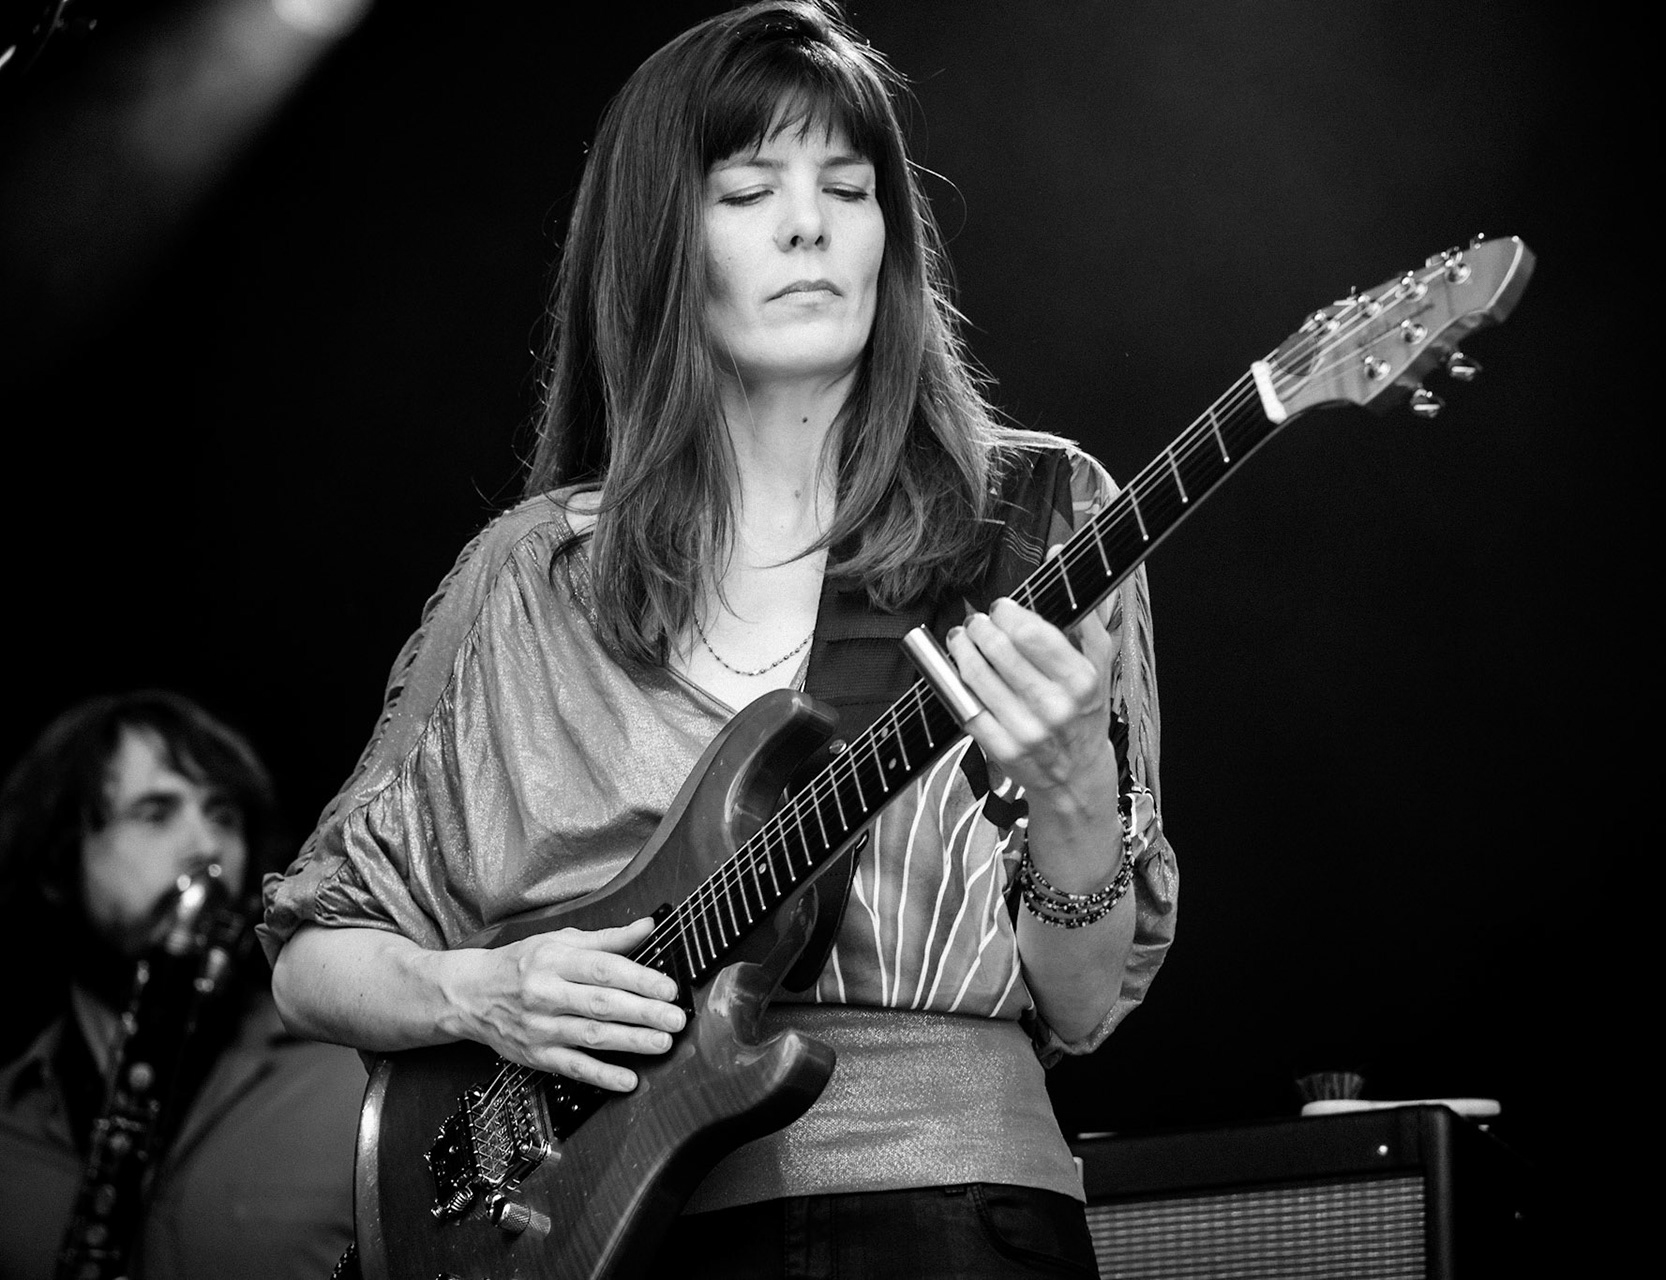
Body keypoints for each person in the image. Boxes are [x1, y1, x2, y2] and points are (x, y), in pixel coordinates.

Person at [263, 2, 1176, 1275]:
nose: (810, 224)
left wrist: (1076, 786)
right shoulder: (541, 576)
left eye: (848, 188)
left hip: (950, 1217)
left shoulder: (1032, 521)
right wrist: (485, 992)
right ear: (661, 249)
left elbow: (1081, 1003)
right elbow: (311, 957)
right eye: (749, 190)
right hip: (608, 1233)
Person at [0, 690, 364, 1280]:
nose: (206, 848)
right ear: (61, 856)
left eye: (224, 816)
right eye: (155, 813)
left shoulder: (353, 1076)